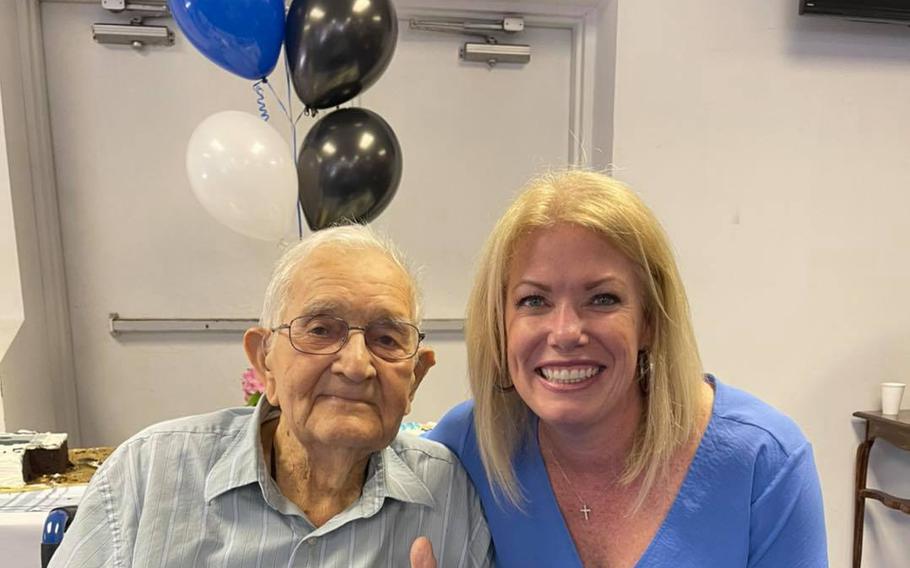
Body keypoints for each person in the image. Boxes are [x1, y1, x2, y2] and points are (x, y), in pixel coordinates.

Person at [427, 170, 828, 567]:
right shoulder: (465, 448)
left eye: (602, 299)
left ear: (650, 320)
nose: (565, 332)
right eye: (534, 301)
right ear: (499, 323)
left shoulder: (764, 461)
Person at [50, 225, 491, 567]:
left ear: (414, 378)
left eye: (387, 339)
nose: (356, 365)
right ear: (264, 362)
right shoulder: (147, 477)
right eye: (321, 330)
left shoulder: (452, 497)